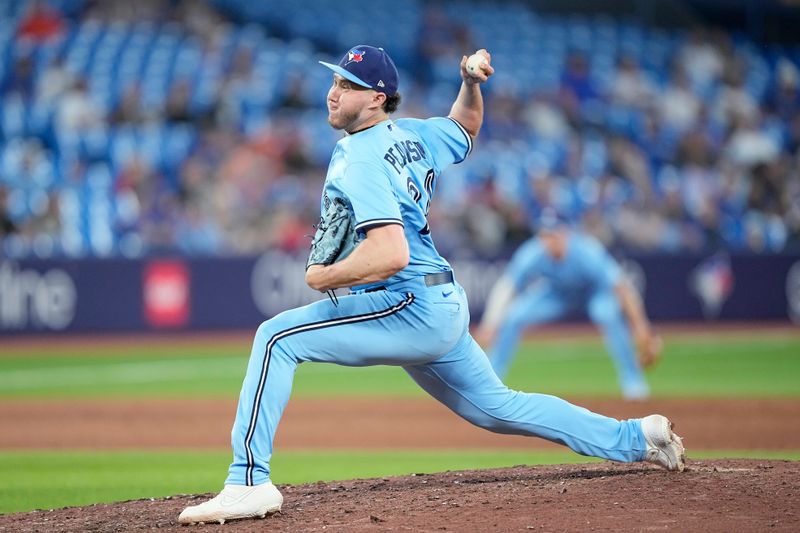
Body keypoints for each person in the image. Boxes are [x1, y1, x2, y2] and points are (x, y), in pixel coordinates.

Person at [179, 45, 685, 526]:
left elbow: (390, 253)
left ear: (377, 97)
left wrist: (321, 276)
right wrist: (469, 83)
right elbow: (466, 126)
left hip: (410, 304)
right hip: (440, 301)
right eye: (333, 80)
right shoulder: (413, 134)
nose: (333, 92)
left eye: (348, 84)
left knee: (275, 338)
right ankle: (637, 437)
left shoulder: (360, 159)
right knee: (498, 407)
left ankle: (248, 482)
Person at [475, 211, 662, 400]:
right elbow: (508, 285)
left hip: (594, 293)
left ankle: (633, 380)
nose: (548, 240)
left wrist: (642, 329)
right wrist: (490, 324)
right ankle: (492, 378)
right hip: (557, 294)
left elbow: (621, 287)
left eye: (553, 234)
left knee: (607, 315)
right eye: (544, 235)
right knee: (515, 315)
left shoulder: (586, 250)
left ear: (565, 233)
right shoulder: (534, 251)